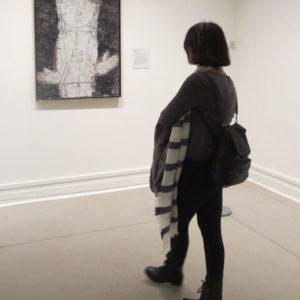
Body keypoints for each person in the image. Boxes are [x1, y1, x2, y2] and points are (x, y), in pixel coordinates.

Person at [145, 22, 237, 300]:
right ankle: (213, 291)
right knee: (211, 231)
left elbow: (167, 115)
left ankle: (172, 270)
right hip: (215, 169)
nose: (187, 50)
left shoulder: (198, 80)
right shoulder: (226, 80)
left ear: (199, 47)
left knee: (176, 221)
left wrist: (160, 146)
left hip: (195, 166)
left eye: (189, 45)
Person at [37, 0, 119, 98]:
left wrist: (101, 69)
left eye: (84, 7)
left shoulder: (105, 33)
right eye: (71, 5)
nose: (78, 13)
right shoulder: (48, 34)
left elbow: (117, 57)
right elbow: (37, 75)